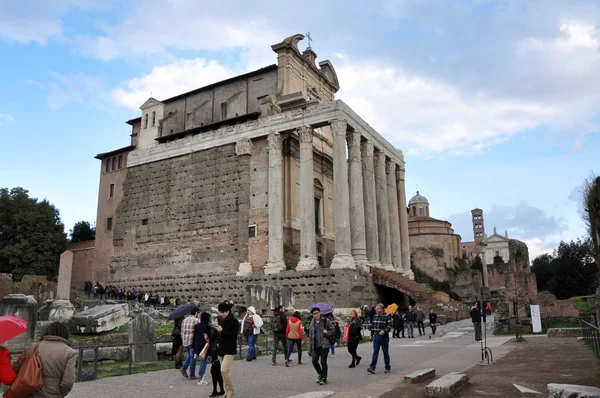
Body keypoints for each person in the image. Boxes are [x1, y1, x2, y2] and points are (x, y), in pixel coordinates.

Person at [13, 321, 76, 397]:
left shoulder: (33, 347)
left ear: (47, 331)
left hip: (31, 392)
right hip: (53, 394)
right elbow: (68, 382)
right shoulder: (69, 352)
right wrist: (61, 393)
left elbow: (16, 369)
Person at [215, 301, 239, 398]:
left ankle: (231, 390)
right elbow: (220, 336)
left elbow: (233, 336)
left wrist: (222, 331)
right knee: (225, 371)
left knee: (224, 370)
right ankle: (227, 390)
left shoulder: (234, 322)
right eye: (220, 312)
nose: (222, 314)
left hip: (230, 349)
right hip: (222, 348)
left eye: (223, 312)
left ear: (228, 311)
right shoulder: (222, 320)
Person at [308, 307, 334, 385]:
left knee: (323, 362)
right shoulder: (312, 323)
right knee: (314, 361)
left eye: (317, 313)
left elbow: (333, 329)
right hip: (316, 346)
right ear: (312, 315)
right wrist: (310, 350)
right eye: (314, 314)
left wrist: (327, 332)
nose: (316, 315)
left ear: (320, 313)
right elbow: (310, 337)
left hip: (324, 345)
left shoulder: (326, 321)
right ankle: (321, 374)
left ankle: (324, 379)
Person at [367, 303, 391, 374]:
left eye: (378, 308)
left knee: (385, 353)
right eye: (376, 309)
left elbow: (389, 326)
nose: (376, 310)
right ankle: (372, 368)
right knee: (375, 353)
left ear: (382, 309)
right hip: (376, 337)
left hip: (384, 337)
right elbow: (373, 326)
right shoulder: (375, 316)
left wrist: (384, 331)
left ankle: (387, 367)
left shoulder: (387, 316)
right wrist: (371, 334)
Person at [180, 307, 200, 380]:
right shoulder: (196, 320)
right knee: (193, 357)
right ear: (196, 313)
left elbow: (182, 332)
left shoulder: (184, 320)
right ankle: (192, 374)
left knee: (190, 356)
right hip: (192, 342)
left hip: (185, 341)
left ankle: (184, 368)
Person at [193, 312, 211, 385]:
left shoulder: (197, 326)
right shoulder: (207, 327)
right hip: (204, 346)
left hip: (197, 345)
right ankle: (201, 377)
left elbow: (195, 336)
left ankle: (201, 376)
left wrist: (193, 346)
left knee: (202, 361)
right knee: (203, 362)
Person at [209, 316, 225, 397]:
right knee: (217, 372)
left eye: (216, 321)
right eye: (214, 321)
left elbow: (212, 340)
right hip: (216, 352)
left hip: (216, 353)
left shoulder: (217, 331)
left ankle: (216, 390)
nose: (215, 323)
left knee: (214, 372)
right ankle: (220, 389)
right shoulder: (219, 330)